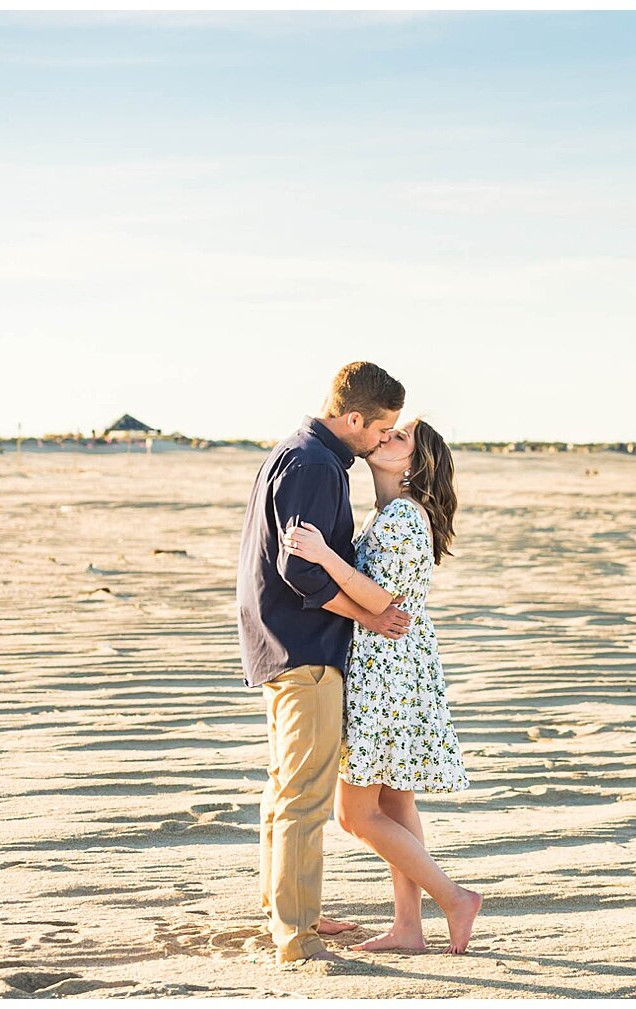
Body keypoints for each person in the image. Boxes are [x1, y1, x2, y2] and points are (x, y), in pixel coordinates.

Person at [236, 361, 412, 966]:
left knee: (287, 788)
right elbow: (300, 567)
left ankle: (289, 910)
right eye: (381, 428)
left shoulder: (301, 451)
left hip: (284, 642)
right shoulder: (314, 463)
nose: (383, 440)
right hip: (304, 646)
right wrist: (367, 617)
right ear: (355, 418)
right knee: (304, 796)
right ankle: (296, 935)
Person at [286, 419, 482, 955]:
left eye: (400, 438)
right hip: (400, 667)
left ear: (414, 464)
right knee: (395, 802)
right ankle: (408, 928)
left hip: (385, 670)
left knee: (355, 813)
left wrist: (323, 556)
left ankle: (455, 898)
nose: (386, 438)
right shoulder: (392, 514)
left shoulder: (400, 516)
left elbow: (381, 601)